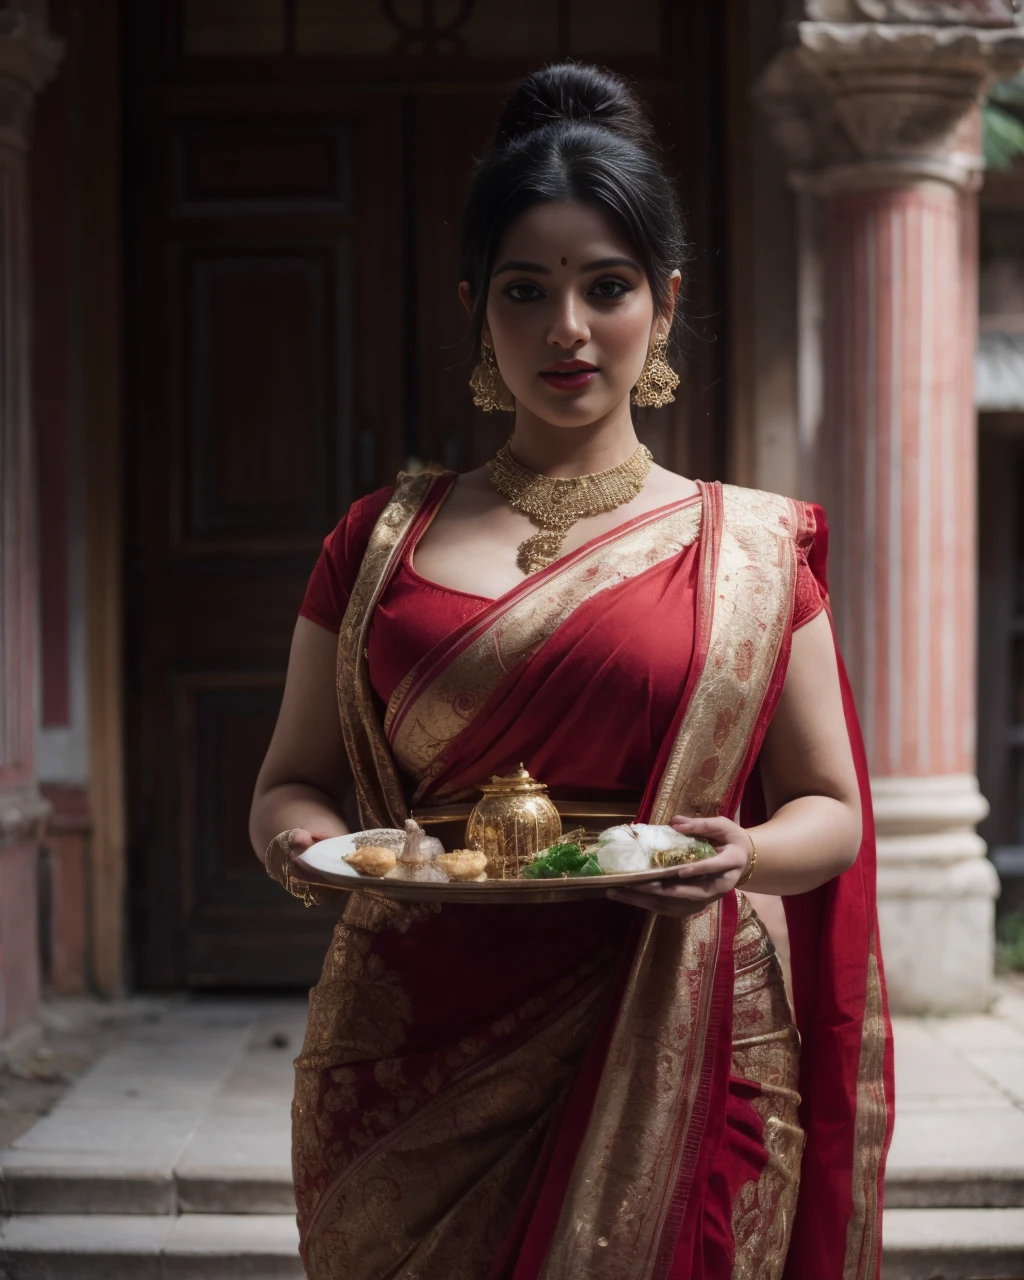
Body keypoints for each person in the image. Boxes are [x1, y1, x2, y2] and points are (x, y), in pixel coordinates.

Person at [250, 62, 894, 1280]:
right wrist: (303, 849)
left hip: (684, 1021)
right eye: (525, 290)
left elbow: (833, 813)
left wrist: (739, 852)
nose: (566, 328)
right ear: (474, 307)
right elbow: (290, 782)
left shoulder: (747, 549)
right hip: (409, 1045)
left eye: (606, 287)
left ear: (662, 301)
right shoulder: (377, 543)